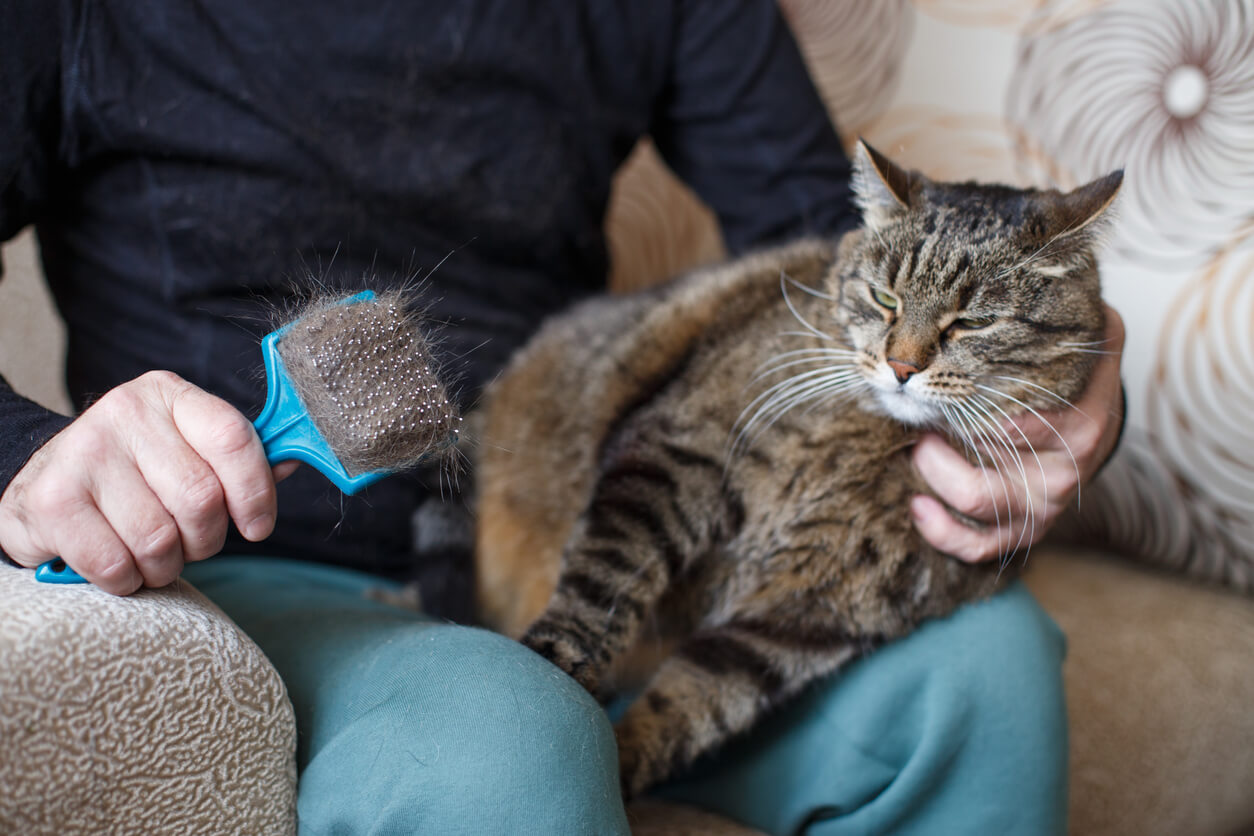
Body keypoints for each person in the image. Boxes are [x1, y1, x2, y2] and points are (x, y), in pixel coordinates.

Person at [0, 1, 1123, 833]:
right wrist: (33, 454)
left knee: (992, 671)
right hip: (256, 575)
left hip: (599, 553)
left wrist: (1070, 373)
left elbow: (829, 252)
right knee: (516, 737)